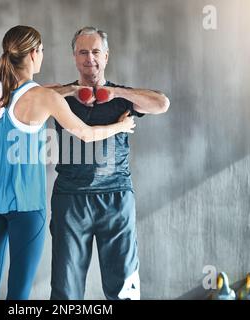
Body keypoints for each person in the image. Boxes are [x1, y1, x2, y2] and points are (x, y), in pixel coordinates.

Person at [0, 25, 136, 300]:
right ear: (35, 53)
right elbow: (85, 134)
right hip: (26, 206)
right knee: (19, 292)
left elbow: (23, 91)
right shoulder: (45, 98)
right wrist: (121, 127)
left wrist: (69, 89)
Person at [47, 26, 170, 300]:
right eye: (82, 52)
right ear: (74, 57)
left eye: (95, 52)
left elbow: (162, 103)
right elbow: (24, 96)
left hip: (115, 195)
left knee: (124, 288)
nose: (89, 58)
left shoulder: (120, 96)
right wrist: (71, 90)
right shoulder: (59, 97)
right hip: (70, 198)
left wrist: (116, 94)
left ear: (106, 56)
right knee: (65, 291)